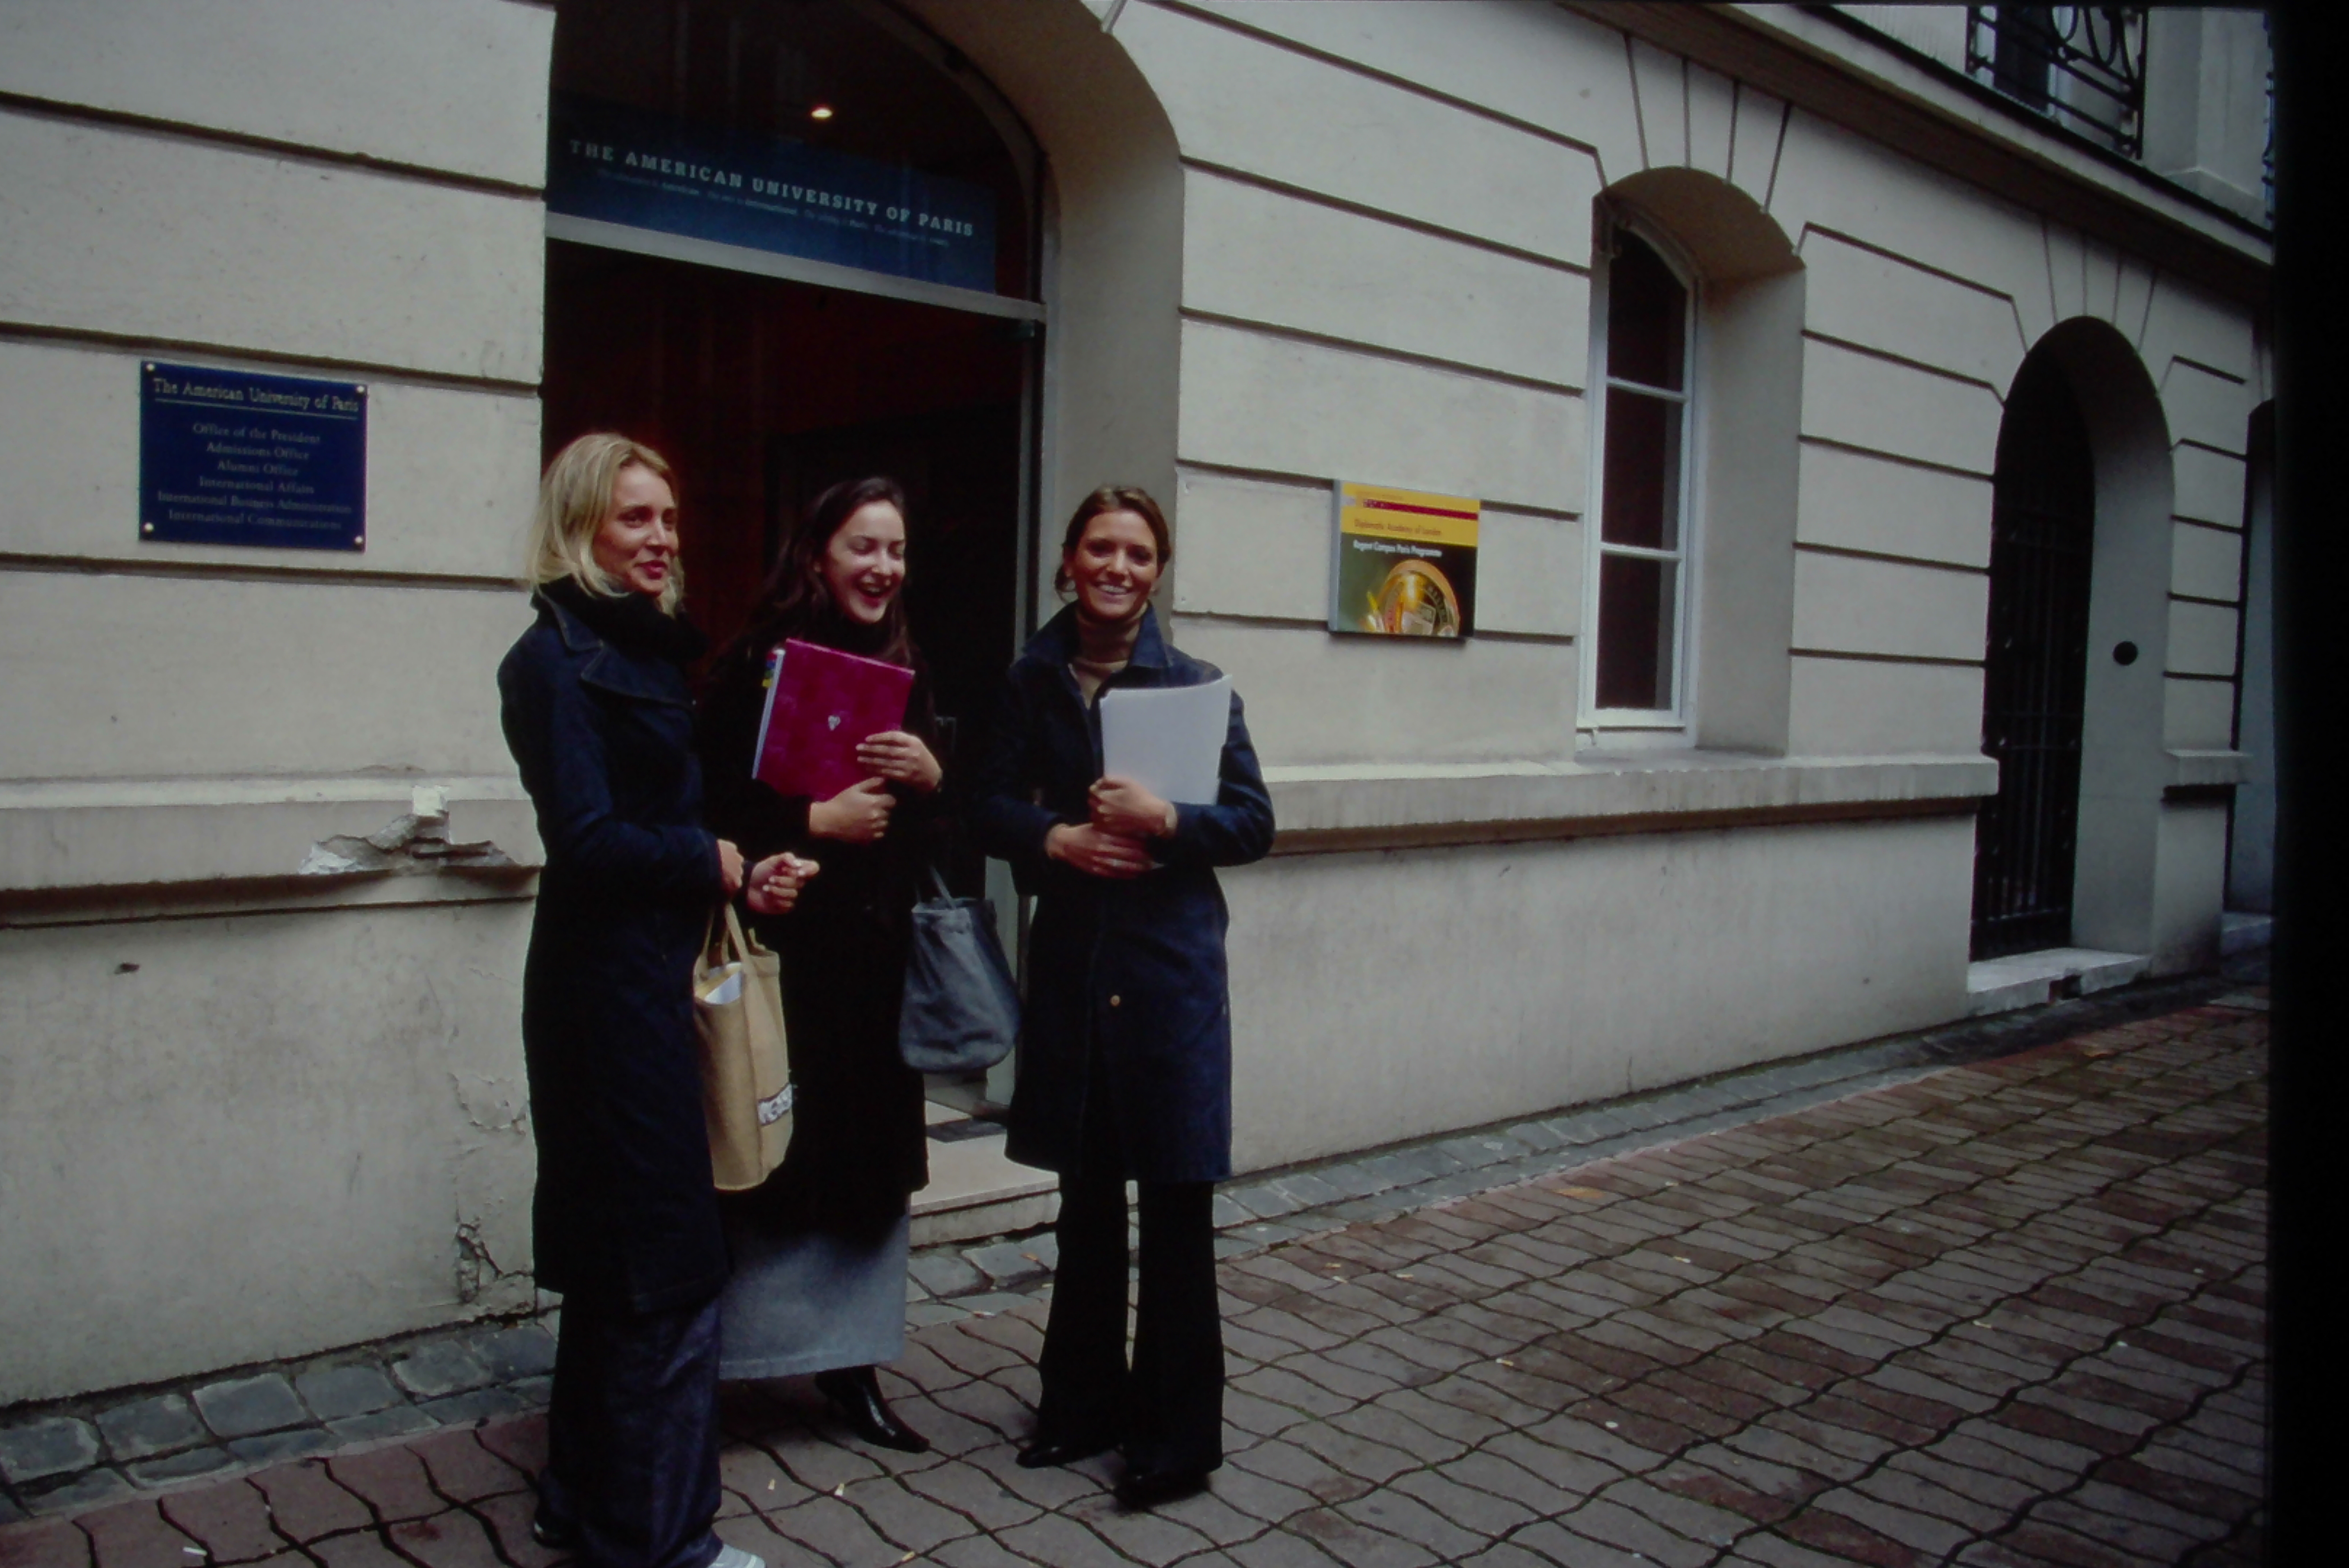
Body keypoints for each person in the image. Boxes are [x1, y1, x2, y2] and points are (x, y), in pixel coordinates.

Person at [498, 433, 804, 1568]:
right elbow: (585, 840)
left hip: (647, 980)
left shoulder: (637, 648)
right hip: (606, 1000)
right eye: (635, 517)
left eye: (668, 519)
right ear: (580, 524)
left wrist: (738, 873)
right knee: (662, 1266)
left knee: (618, 1263)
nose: (662, 538)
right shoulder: (552, 661)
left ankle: (582, 1501)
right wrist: (706, 859)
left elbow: (664, 827)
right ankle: (665, 1543)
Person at [968, 485, 1275, 1507]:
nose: (1117, 567)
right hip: (1074, 967)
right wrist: (1054, 838)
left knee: (1176, 1208)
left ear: (1157, 571)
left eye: (1138, 553)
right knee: (1087, 1201)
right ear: (1068, 561)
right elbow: (982, 805)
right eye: (1100, 548)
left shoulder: (1198, 687)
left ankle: (1175, 1441)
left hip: (1169, 977)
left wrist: (1167, 818)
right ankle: (1079, 1407)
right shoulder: (1028, 677)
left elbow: (1254, 823)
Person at [695, 476, 946, 1452]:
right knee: (765, 1152)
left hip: (873, 966)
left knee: (862, 1169)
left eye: (896, 549)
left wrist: (933, 777)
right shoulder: (752, 663)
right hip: (780, 956)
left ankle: (852, 1367)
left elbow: (942, 834)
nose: (882, 567)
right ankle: (728, 1365)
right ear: (817, 556)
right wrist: (813, 820)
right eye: (862, 547)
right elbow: (704, 805)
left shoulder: (908, 669)